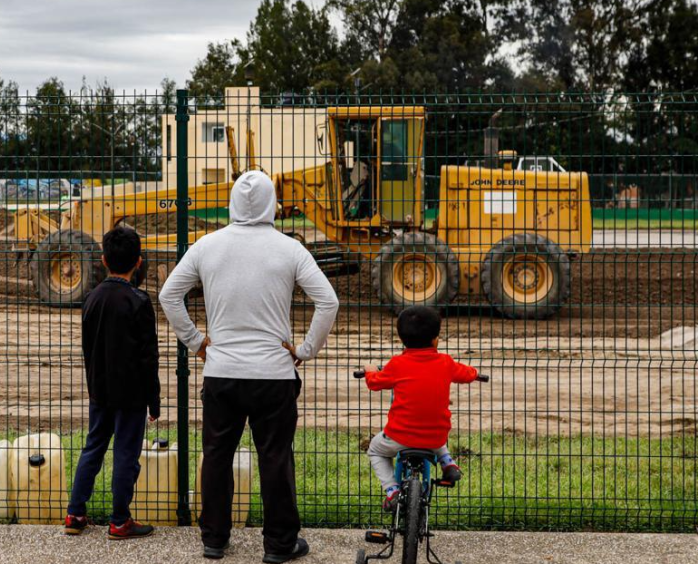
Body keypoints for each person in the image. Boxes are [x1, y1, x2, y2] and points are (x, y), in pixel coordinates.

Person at [159, 170, 339, 563]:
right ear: (274, 203)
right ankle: (279, 545)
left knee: (217, 455)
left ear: (232, 205)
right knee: (275, 457)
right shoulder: (289, 248)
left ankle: (214, 540)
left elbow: (168, 295)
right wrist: (305, 349)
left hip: (221, 371)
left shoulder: (207, 246)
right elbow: (329, 302)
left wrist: (197, 342)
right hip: (273, 375)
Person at [65, 226, 161, 540]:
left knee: (93, 447)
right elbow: (148, 357)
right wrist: (154, 400)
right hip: (131, 395)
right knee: (125, 455)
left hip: (100, 391)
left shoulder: (91, 299)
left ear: (104, 260)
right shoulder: (138, 301)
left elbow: (88, 347)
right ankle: (120, 521)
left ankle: (75, 513)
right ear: (139, 262)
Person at [363, 305, 479, 512]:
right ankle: (448, 463)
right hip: (435, 435)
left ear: (402, 339)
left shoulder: (397, 364)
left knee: (375, 450)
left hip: (399, 437)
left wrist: (370, 371)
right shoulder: (446, 362)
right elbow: (468, 374)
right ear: (436, 339)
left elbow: (375, 383)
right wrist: (475, 372)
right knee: (434, 431)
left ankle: (392, 490)